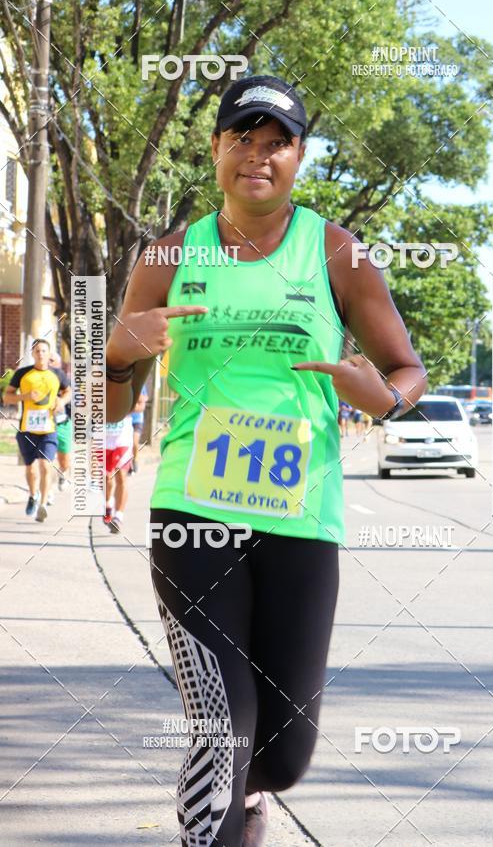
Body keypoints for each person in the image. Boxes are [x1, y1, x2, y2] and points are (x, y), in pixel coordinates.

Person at [106, 74, 427, 847]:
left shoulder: (338, 253)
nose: (257, 155)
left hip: (301, 520)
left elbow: (407, 372)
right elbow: (106, 407)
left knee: (280, 753)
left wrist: (376, 395)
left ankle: (252, 800)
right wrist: (118, 353)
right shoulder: (169, 254)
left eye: (275, 142)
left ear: (299, 157)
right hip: (194, 517)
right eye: (241, 138)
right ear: (215, 148)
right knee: (223, 731)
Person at [3, 338, 70, 522]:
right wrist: (25, 396)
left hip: (49, 429)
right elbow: (7, 397)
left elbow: (68, 390)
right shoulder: (23, 374)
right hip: (27, 430)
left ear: (49, 355)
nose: (40, 354)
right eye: (37, 351)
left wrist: (61, 401)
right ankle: (33, 496)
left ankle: (42, 504)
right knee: (31, 468)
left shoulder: (57, 374)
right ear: (32, 354)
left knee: (45, 466)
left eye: (44, 351)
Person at [103, 415, 134, 533]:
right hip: (104, 438)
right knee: (107, 478)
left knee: (121, 476)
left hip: (123, 439)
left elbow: (139, 405)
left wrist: (123, 405)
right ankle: (108, 504)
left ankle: (118, 517)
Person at [49, 352, 72, 490]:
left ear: (58, 364)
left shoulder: (61, 377)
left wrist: (61, 401)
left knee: (64, 460)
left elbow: (69, 394)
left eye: (52, 360)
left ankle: (63, 473)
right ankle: (47, 491)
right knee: (46, 459)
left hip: (62, 422)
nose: (49, 362)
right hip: (46, 425)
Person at [129, 383, 148, 473]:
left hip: (137, 419)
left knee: (134, 442)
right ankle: (127, 464)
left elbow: (144, 400)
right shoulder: (124, 383)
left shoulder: (141, 383)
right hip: (126, 419)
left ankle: (135, 460)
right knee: (126, 444)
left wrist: (137, 402)